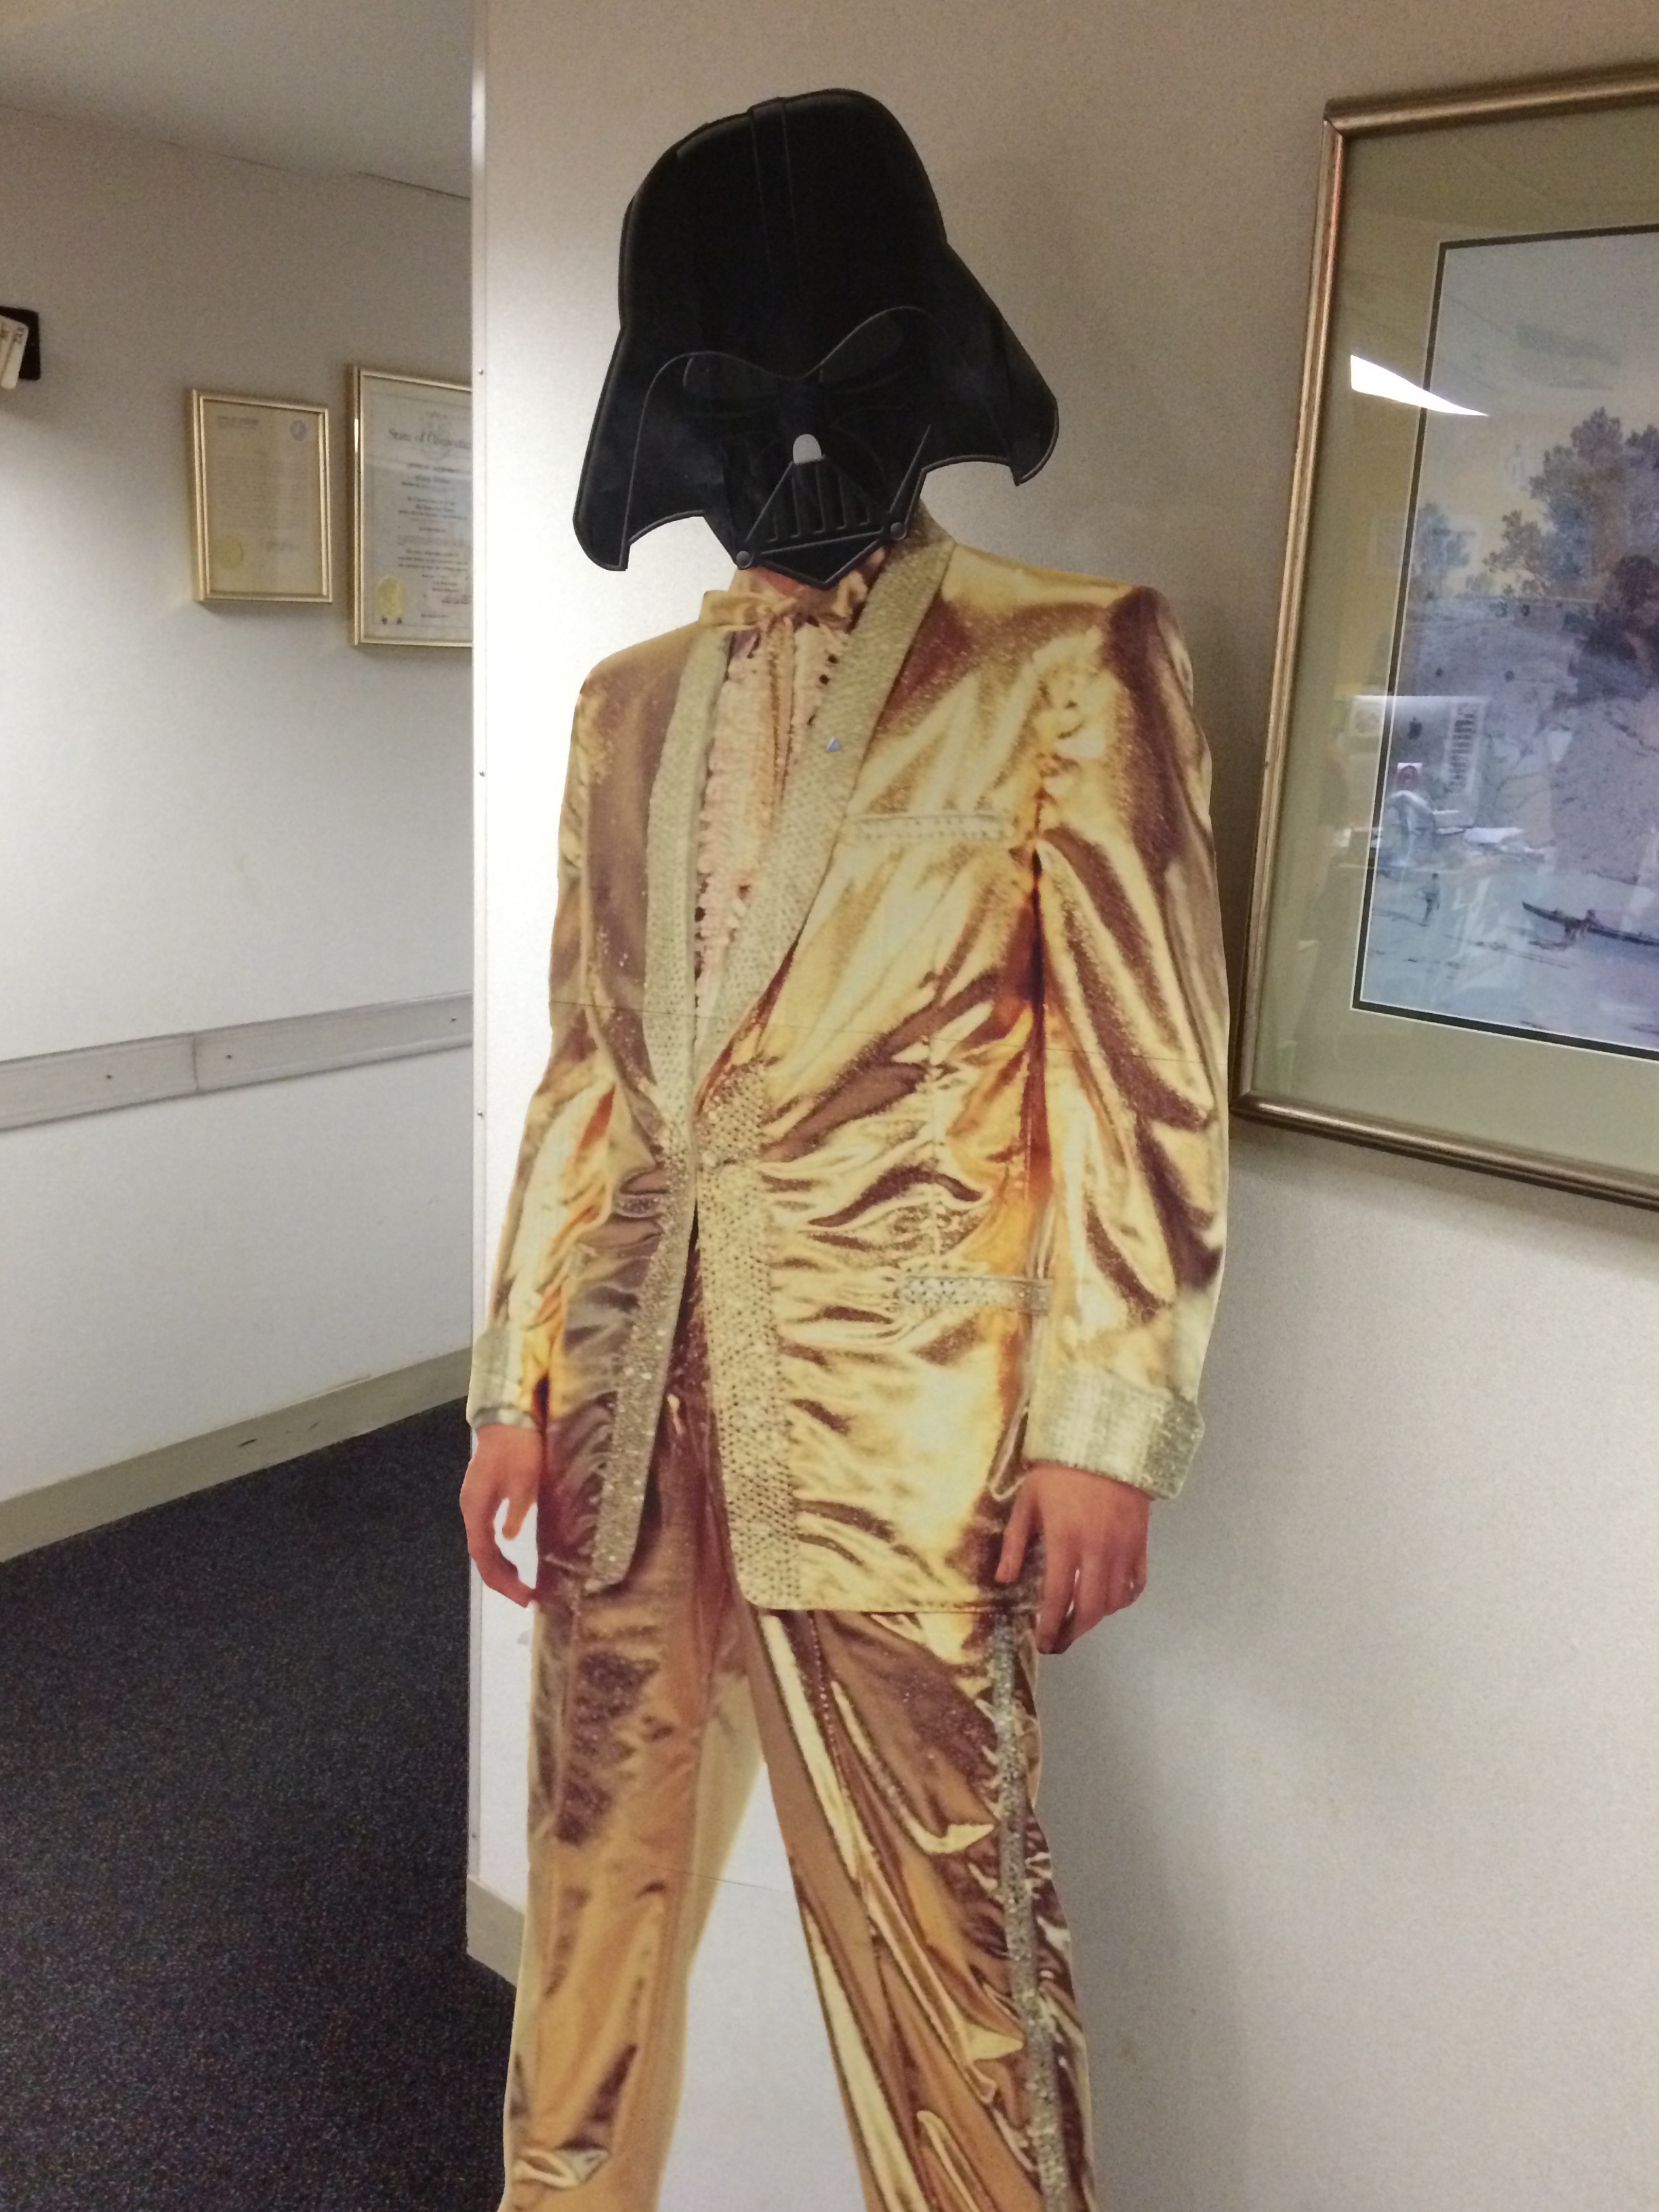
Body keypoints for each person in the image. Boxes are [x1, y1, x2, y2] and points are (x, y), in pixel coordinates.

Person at [460, 91, 1229, 2212]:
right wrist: (518, 1377)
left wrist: (1106, 1429)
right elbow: (589, 1069)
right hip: (624, 1406)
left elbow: (1146, 1081)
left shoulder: (1074, 659)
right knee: (588, 1913)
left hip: (905, 1421)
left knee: (950, 1961)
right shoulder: (622, 708)